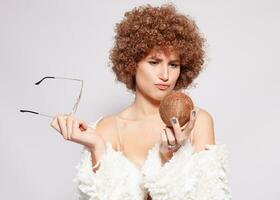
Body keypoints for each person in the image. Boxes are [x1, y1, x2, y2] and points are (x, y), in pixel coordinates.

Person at [50, 3, 232, 200]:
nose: (165, 75)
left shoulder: (196, 122)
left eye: (173, 65)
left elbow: (209, 196)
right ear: (131, 63)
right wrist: (97, 147)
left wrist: (168, 157)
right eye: (154, 62)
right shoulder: (109, 129)